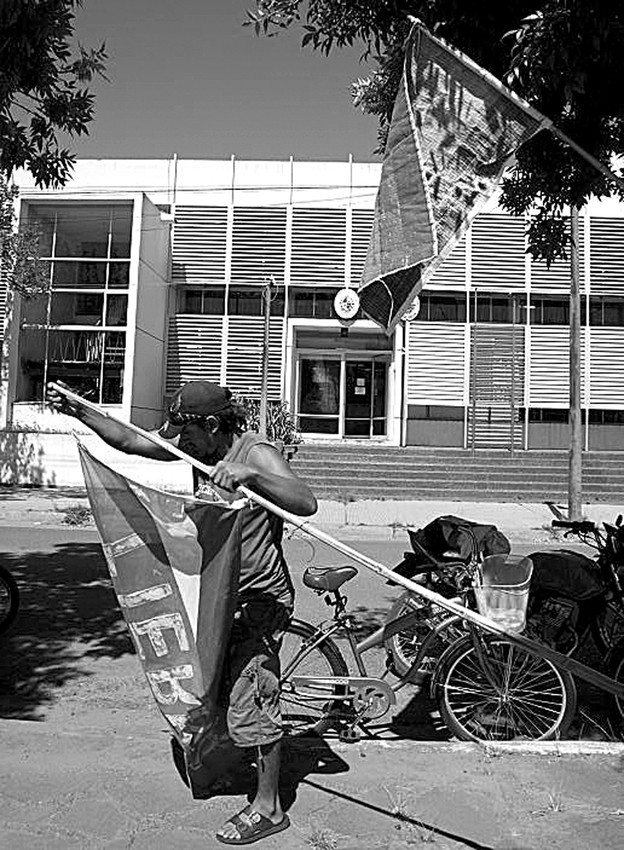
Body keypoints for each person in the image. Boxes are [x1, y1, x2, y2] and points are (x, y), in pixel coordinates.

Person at [46, 379, 317, 846]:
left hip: (258, 599)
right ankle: (232, 762)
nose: (179, 441)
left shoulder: (255, 453)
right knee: (214, 688)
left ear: (211, 425)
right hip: (218, 594)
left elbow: (305, 501)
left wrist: (251, 476)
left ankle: (270, 807)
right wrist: (78, 411)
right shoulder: (198, 450)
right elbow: (133, 441)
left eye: (185, 431)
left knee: (252, 696)